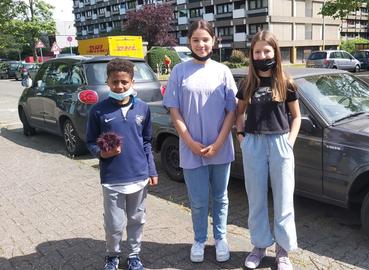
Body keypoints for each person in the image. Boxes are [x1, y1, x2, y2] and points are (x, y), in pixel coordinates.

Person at [163, 19, 237, 263]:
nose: (201, 44)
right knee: (197, 199)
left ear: (213, 41)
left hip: (221, 147)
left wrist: (218, 143)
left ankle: (221, 238)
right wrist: (190, 142)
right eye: (196, 39)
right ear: (189, 42)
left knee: (220, 197)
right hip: (190, 148)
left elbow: (232, 111)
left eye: (205, 39)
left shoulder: (223, 71)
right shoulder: (179, 71)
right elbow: (175, 112)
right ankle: (199, 239)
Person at [235, 30, 301, 270]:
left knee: (284, 200)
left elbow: (296, 117)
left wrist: (289, 143)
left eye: (267, 51)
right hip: (253, 143)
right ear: (251, 55)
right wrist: (241, 136)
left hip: (280, 143)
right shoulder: (247, 83)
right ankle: (259, 246)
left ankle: (282, 251)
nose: (262, 55)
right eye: (257, 51)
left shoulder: (286, 82)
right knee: (256, 200)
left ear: (275, 52)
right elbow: (239, 112)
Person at [86, 58, 158, 270]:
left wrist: (151, 169)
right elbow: (90, 141)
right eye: (115, 82)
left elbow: (146, 142)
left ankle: (134, 255)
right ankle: (113, 255)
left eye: (124, 82)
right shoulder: (99, 111)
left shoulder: (143, 109)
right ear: (107, 82)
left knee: (137, 219)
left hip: (139, 176)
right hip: (112, 178)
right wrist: (103, 154)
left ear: (132, 82)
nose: (120, 86)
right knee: (114, 223)